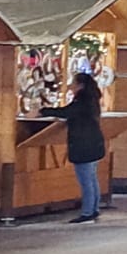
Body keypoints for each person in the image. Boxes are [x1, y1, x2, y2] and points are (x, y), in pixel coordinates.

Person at [37, 71, 107, 223]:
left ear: (80, 86)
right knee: (92, 179)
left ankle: (88, 212)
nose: (70, 86)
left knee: (86, 180)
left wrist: (42, 111)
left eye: (73, 83)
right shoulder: (92, 99)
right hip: (94, 143)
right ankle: (94, 209)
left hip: (84, 144)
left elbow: (66, 112)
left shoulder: (82, 101)